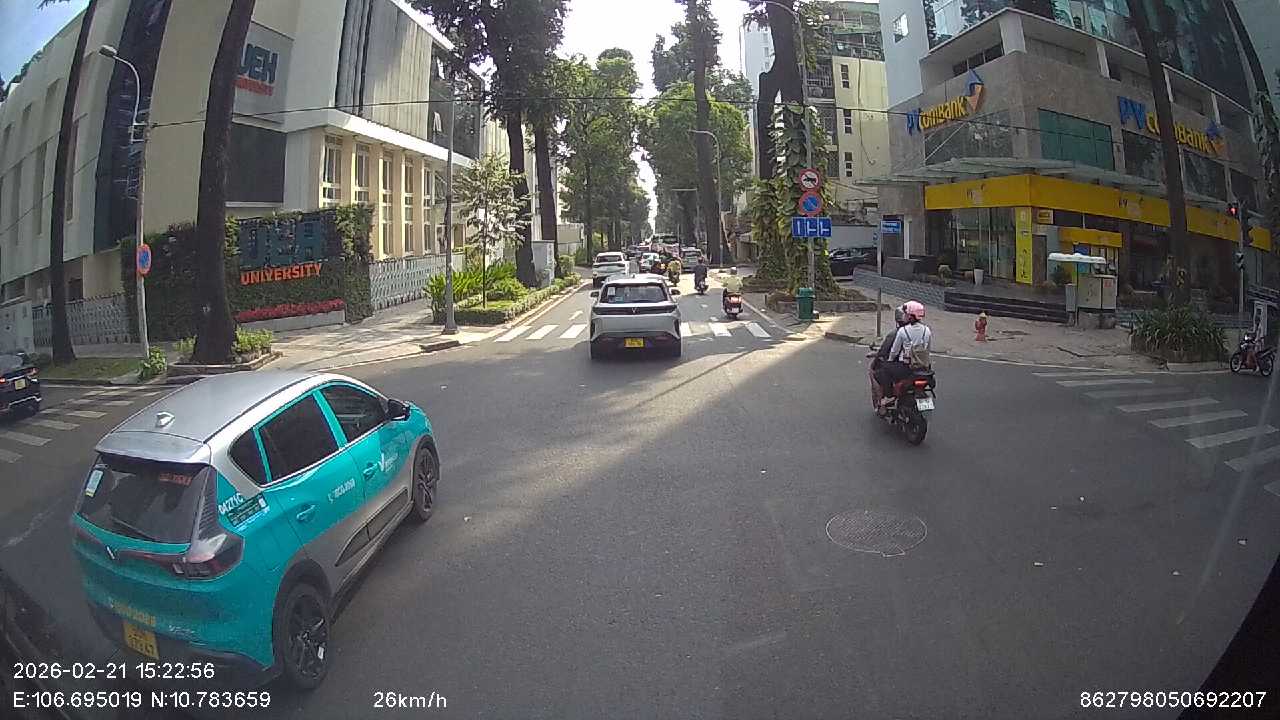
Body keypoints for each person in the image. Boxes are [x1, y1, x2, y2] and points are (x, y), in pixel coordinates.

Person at [879, 300, 932, 406]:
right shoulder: (927, 330)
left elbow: (894, 351)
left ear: (910, 316)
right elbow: (927, 348)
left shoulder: (903, 331)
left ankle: (889, 396)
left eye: (906, 314)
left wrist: (889, 360)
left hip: (906, 367)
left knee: (883, 370)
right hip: (923, 367)